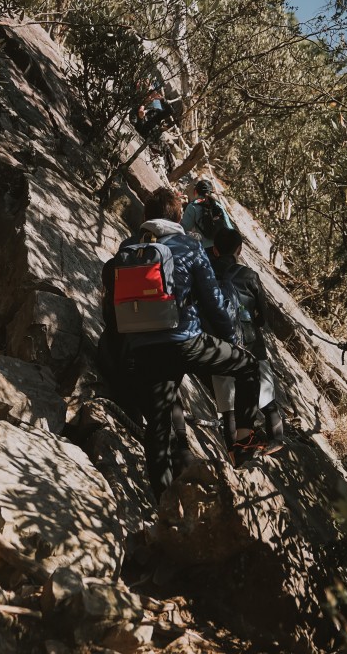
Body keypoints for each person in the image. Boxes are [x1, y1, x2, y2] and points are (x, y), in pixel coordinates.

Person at [101, 187, 273, 499]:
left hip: (144, 349)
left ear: (145, 216)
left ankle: (163, 502)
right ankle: (243, 442)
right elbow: (214, 304)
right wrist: (231, 340)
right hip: (187, 342)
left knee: (158, 428)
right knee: (247, 366)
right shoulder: (189, 246)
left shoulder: (128, 246)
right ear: (179, 216)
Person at [209, 226, 284, 453]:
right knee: (265, 392)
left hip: (219, 342)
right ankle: (276, 440)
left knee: (227, 404)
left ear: (214, 250)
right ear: (239, 250)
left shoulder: (206, 274)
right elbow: (263, 318)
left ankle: (237, 453)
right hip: (251, 342)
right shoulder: (250, 276)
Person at [181, 178, 233, 249]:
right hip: (220, 247)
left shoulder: (193, 206)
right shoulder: (219, 206)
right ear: (211, 193)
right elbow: (229, 227)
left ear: (195, 192)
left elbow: (184, 229)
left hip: (201, 248)